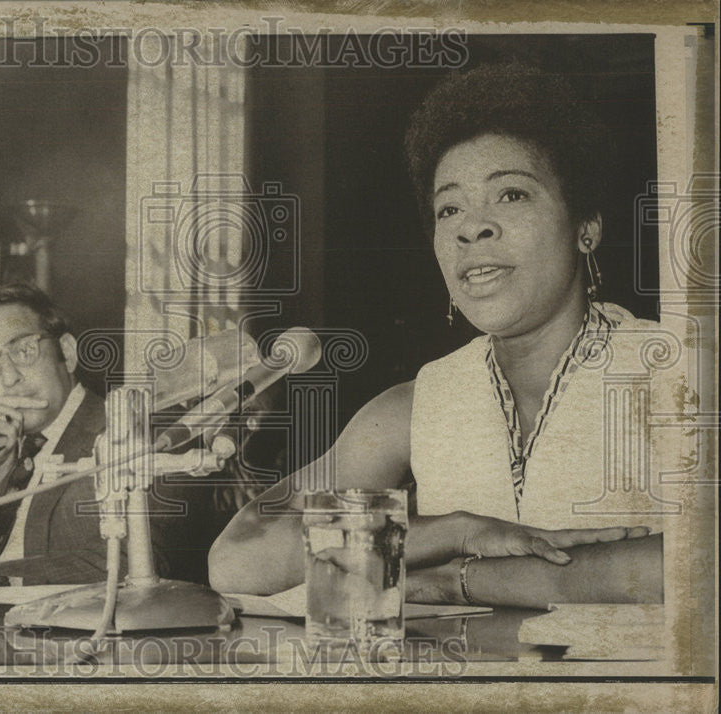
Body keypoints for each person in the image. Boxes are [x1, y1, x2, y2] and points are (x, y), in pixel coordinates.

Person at [209, 63, 664, 608]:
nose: (472, 226)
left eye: (512, 195)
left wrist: (459, 578)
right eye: (449, 208)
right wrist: (450, 532)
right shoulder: (413, 406)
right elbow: (235, 561)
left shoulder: (676, 372)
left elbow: (698, 560)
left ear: (585, 228)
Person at [0, 284, 178, 584]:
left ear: (66, 352)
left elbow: (136, 568)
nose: (9, 378)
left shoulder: (140, 438)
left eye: (23, 350)